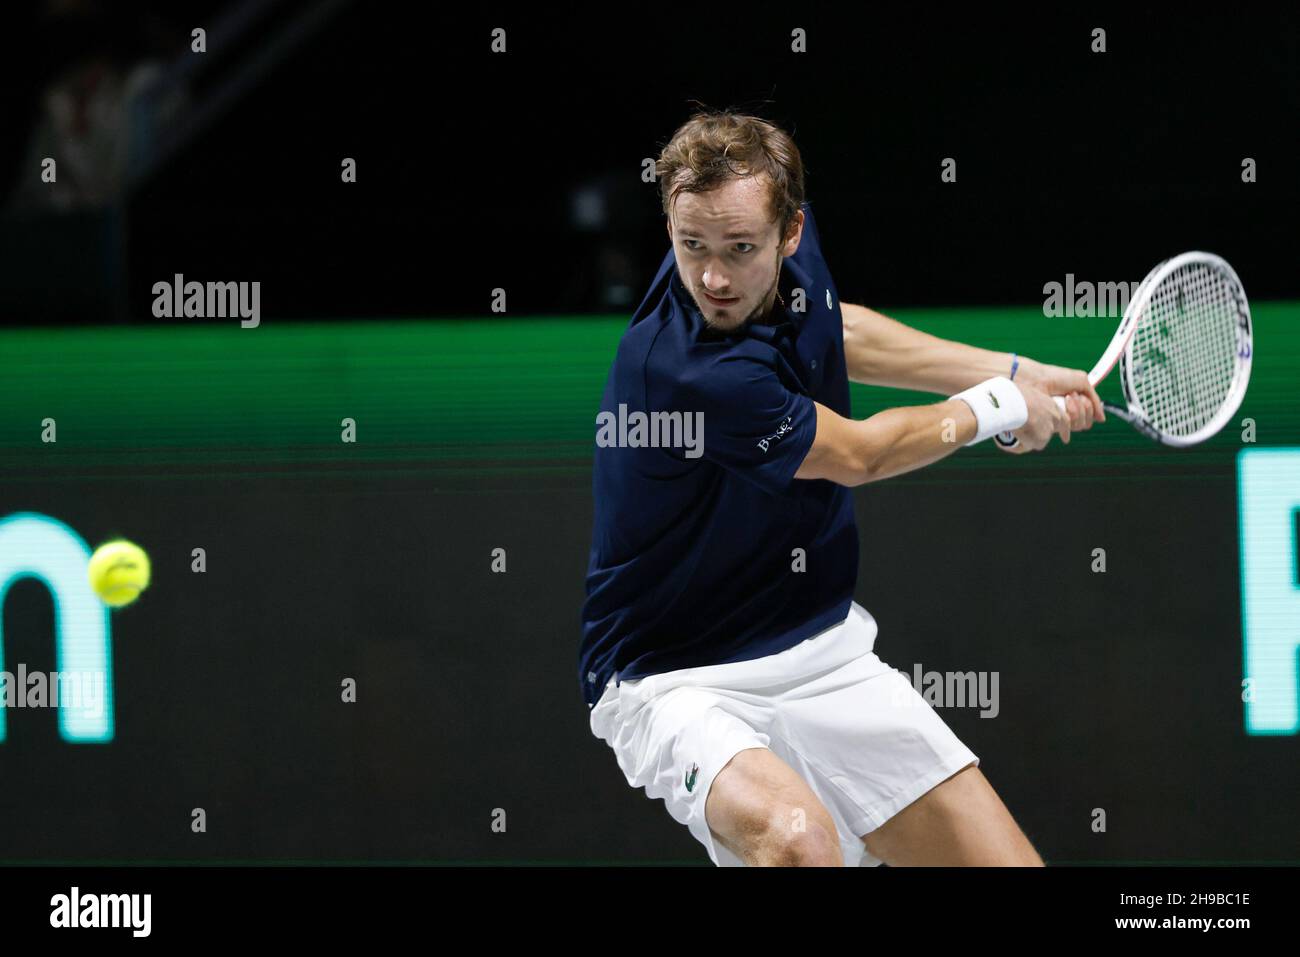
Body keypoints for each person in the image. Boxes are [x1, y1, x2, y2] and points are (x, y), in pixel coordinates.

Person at [578, 110, 1102, 866]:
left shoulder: (772, 248)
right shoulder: (685, 369)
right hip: (670, 674)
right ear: (670, 218)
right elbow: (859, 455)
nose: (714, 277)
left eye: (739, 249)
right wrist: (999, 410)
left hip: (820, 648)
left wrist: (1010, 371)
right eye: (689, 246)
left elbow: (835, 326)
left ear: (791, 232)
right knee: (797, 840)